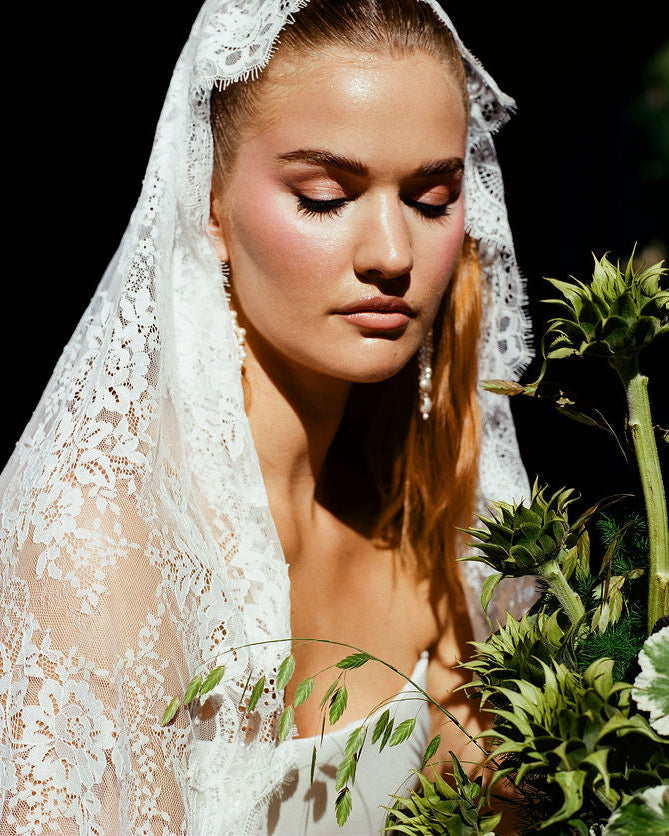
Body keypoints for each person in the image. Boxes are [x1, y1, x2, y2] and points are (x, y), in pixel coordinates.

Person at [0, 0, 534, 833]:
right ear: (207, 201)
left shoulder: (431, 529)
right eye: (324, 196)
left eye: (431, 199)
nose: (391, 254)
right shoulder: (101, 536)